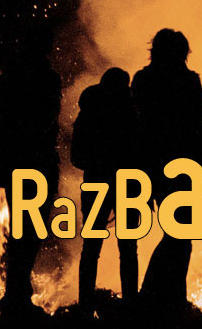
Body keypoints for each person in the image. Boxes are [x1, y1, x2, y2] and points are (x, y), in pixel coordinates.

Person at [0, 48, 62, 317]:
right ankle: (17, 298)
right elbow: (46, 120)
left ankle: (16, 294)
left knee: (23, 230)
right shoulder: (46, 79)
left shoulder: (7, 82)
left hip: (13, 164)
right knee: (30, 231)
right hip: (36, 163)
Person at [134, 29, 202, 308]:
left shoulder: (144, 79)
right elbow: (200, 124)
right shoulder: (188, 80)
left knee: (178, 233)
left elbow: (138, 127)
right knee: (181, 234)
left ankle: (162, 298)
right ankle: (161, 298)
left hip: (157, 165)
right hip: (184, 167)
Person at [71, 67, 141, 313]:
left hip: (97, 184)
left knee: (91, 248)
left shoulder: (89, 113)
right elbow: (140, 151)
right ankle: (130, 305)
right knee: (128, 248)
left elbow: (76, 157)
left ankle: (85, 306)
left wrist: (97, 164)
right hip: (127, 185)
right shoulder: (131, 112)